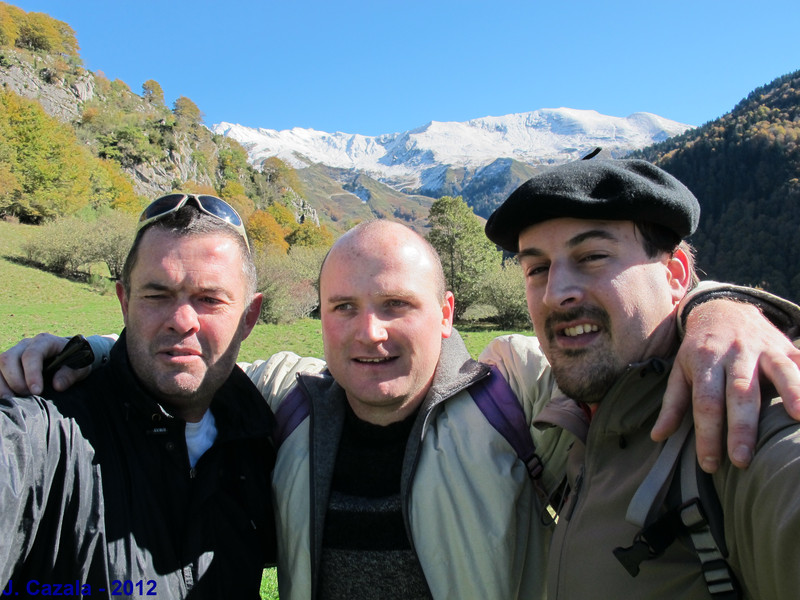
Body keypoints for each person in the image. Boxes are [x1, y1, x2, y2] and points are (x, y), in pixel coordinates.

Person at [3, 220, 800, 599]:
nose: (369, 334)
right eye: (342, 307)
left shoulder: (514, 388)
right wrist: (84, 348)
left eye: (397, 305)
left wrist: (715, 305)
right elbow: (189, 351)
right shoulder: (289, 399)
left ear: (448, 311)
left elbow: (623, 350)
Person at [482, 158, 800, 599]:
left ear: (675, 277)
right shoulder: (573, 413)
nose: (556, 292)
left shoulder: (745, 416)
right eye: (537, 269)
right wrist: (718, 303)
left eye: (592, 256)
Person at [0, 194, 276, 598]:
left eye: (209, 299)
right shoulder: (43, 434)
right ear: (125, 302)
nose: (182, 321)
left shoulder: (261, 440)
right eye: (156, 295)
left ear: (249, 317)